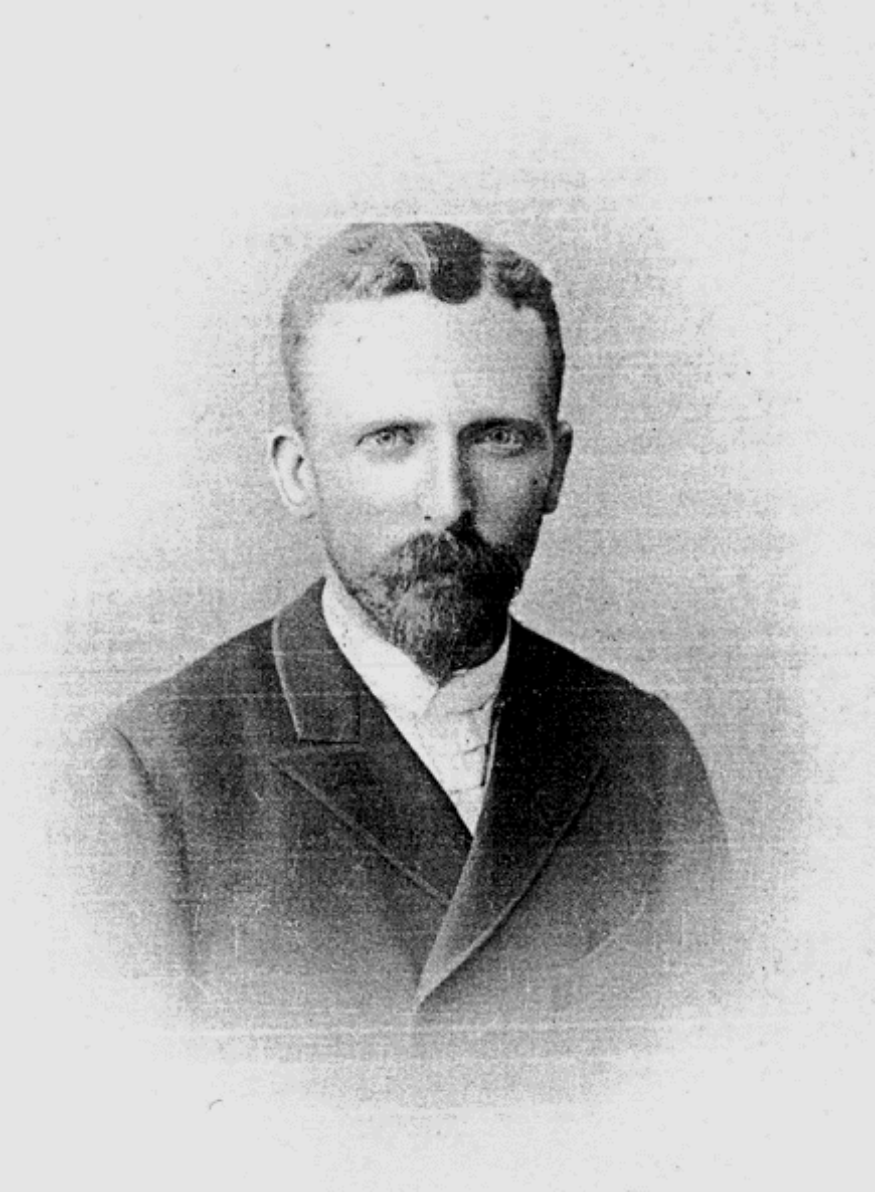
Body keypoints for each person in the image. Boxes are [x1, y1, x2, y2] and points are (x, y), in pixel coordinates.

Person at [70, 222, 728, 1095]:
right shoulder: (153, 777)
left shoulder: (644, 752)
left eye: (497, 438)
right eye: (390, 438)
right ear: (298, 473)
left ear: (557, 467)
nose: (447, 503)